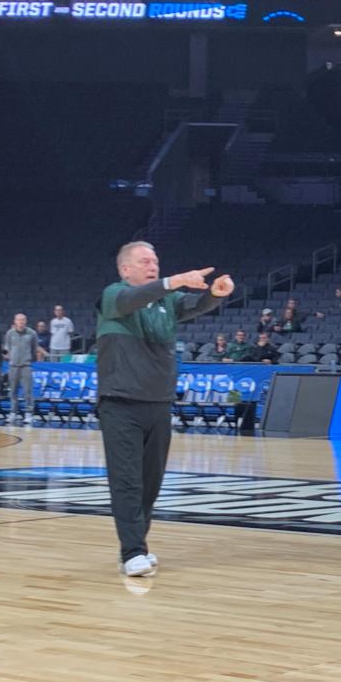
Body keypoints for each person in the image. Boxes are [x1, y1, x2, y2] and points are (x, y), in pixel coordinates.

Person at [96, 240, 233, 577]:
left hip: (158, 404)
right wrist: (174, 280)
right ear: (126, 269)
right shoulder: (114, 296)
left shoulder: (166, 301)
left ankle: (135, 544)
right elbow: (134, 298)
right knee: (126, 480)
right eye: (144, 261)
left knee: (150, 482)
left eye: (155, 260)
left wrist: (215, 293)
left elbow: (195, 305)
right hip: (120, 404)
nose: (153, 265)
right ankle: (132, 552)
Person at [4, 313, 39, 425]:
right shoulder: (10, 333)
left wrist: (29, 360)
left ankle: (28, 413)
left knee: (27, 391)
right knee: (13, 391)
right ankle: (13, 412)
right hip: (13, 366)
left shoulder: (32, 333)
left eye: (23, 320)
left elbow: (34, 349)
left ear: (26, 321)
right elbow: (8, 348)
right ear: (15, 321)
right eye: (19, 320)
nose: (21, 322)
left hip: (26, 366)